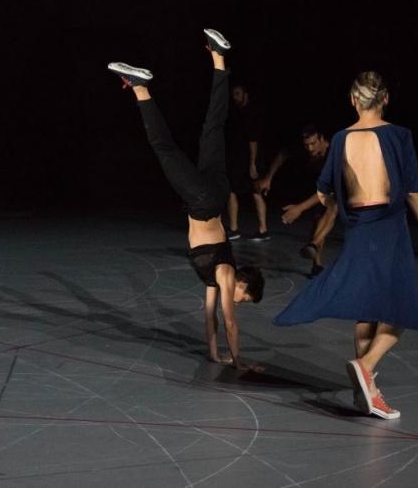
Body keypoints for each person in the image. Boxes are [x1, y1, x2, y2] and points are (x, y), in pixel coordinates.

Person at [273, 71, 418, 419]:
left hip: (359, 229)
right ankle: (366, 367)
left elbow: (324, 191)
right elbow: (412, 186)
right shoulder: (399, 135)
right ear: (385, 100)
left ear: (353, 101)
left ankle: (363, 394)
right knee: (402, 305)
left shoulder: (339, 139)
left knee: (366, 308)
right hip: (389, 227)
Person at [108, 29, 265, 372]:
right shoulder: (225, 274)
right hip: (204, 200)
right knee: (164, 147)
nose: (239, 302)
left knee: (213, 126)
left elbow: (208, 316)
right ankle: (140, 86)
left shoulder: (217, 277)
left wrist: (213, 354)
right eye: (245, 297)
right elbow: (230, 322)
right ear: (243, 284)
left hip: (215, 193)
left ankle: (220, 58)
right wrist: (240, 363)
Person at [256, 124, 338, 275]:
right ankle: (316, 265)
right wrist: (268, 178)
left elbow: (326, 192)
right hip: (319, 183)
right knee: (317, 218)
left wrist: (299, 208)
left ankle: (313, 244)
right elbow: (283, 155)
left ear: (322, 139)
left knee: (332, 207)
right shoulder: (303, 148)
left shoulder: (333, 153)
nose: (310, 148)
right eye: (307, 145)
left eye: (313, 143)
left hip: (343, 186)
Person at [226, 82, 270, 242]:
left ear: (246, 95)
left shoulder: (250, 113)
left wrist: (252, 164)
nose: (235, 97)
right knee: (242, 191)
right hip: (240, 160)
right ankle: (257, 230)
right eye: (234, 94)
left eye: (238, 93)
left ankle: (238, 229)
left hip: (249, 161)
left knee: (250, 191)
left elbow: (253, 140)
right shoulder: (239, 113)